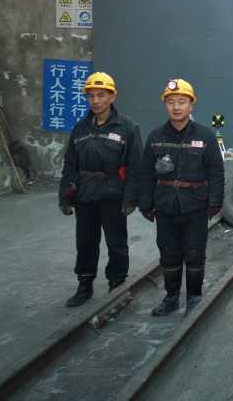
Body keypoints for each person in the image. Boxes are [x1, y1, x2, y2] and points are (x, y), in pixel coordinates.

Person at [140, 79, 224, 316]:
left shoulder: (205, 136)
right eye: (171, 102)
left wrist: (215, 201)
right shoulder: (156, 136)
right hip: (165, 205)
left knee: (195, 252)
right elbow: (145, 173)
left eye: (182, 101)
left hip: (196, 205)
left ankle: (195, 297)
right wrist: (145, 203)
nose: (176, 107)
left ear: (191, 104)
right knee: (169, 253)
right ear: (165, 105)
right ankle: (171, 297)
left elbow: (216, 171)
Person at [59, 72, 142, 307]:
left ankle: (117, 284)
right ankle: (84, 284)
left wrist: (130, 198)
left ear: (112, 96)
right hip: (85, 194)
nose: (96, 101)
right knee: (85, 242)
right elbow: (70, 164)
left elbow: (135, 166)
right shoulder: (80, 128)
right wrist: (64, 196)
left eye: (101, 95)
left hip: (113, 194)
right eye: (91, 96)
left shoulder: (128, 127)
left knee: (116, 243)